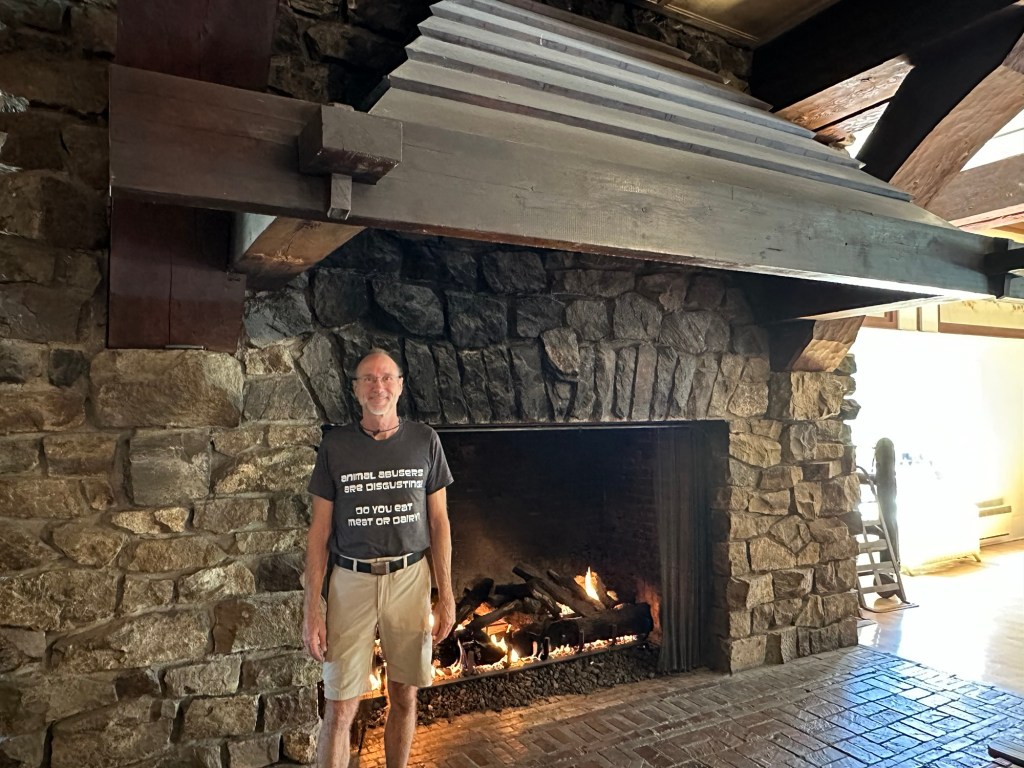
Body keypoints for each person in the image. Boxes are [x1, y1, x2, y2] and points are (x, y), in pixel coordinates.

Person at [303, 348, 455, 768]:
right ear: (355, 390)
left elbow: (439, 522)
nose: (378, 386)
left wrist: (446, 594)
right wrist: (312, 607)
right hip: (350, 581)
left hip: (410, 577)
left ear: (401, 385)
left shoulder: (426, 440)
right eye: (368, 378)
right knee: (339, 706)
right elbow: (319, 532)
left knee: (405, 695)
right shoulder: (336, 446)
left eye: (387, 377)